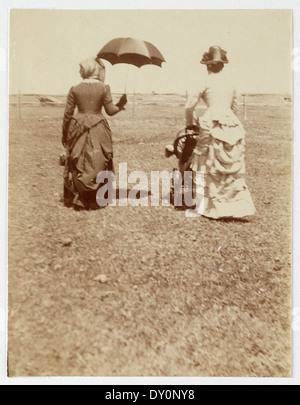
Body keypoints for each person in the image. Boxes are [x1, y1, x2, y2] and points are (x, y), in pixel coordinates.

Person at [185, 46, 256, 219]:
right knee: (231, 166)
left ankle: (206, 207)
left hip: (211, 122)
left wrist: (190, 123)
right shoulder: (230, 83)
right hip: (231, 123)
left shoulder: (204, 82)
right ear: (222, 65)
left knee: (205, 162)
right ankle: (232, 207)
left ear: (207, 65)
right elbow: (235, 107)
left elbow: (189, 106)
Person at [62, 57, 127, 209]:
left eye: (81, 69)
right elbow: (110, 111)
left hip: (78, 127)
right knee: (99, 158)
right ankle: (98, 197)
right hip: (99, 127)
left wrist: (65, 135)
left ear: (87, 69)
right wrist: (121, 104)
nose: (79, 72)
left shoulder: (75, 89)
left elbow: (67, 114)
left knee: (79, 160)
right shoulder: (104, 88)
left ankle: (79, 196)